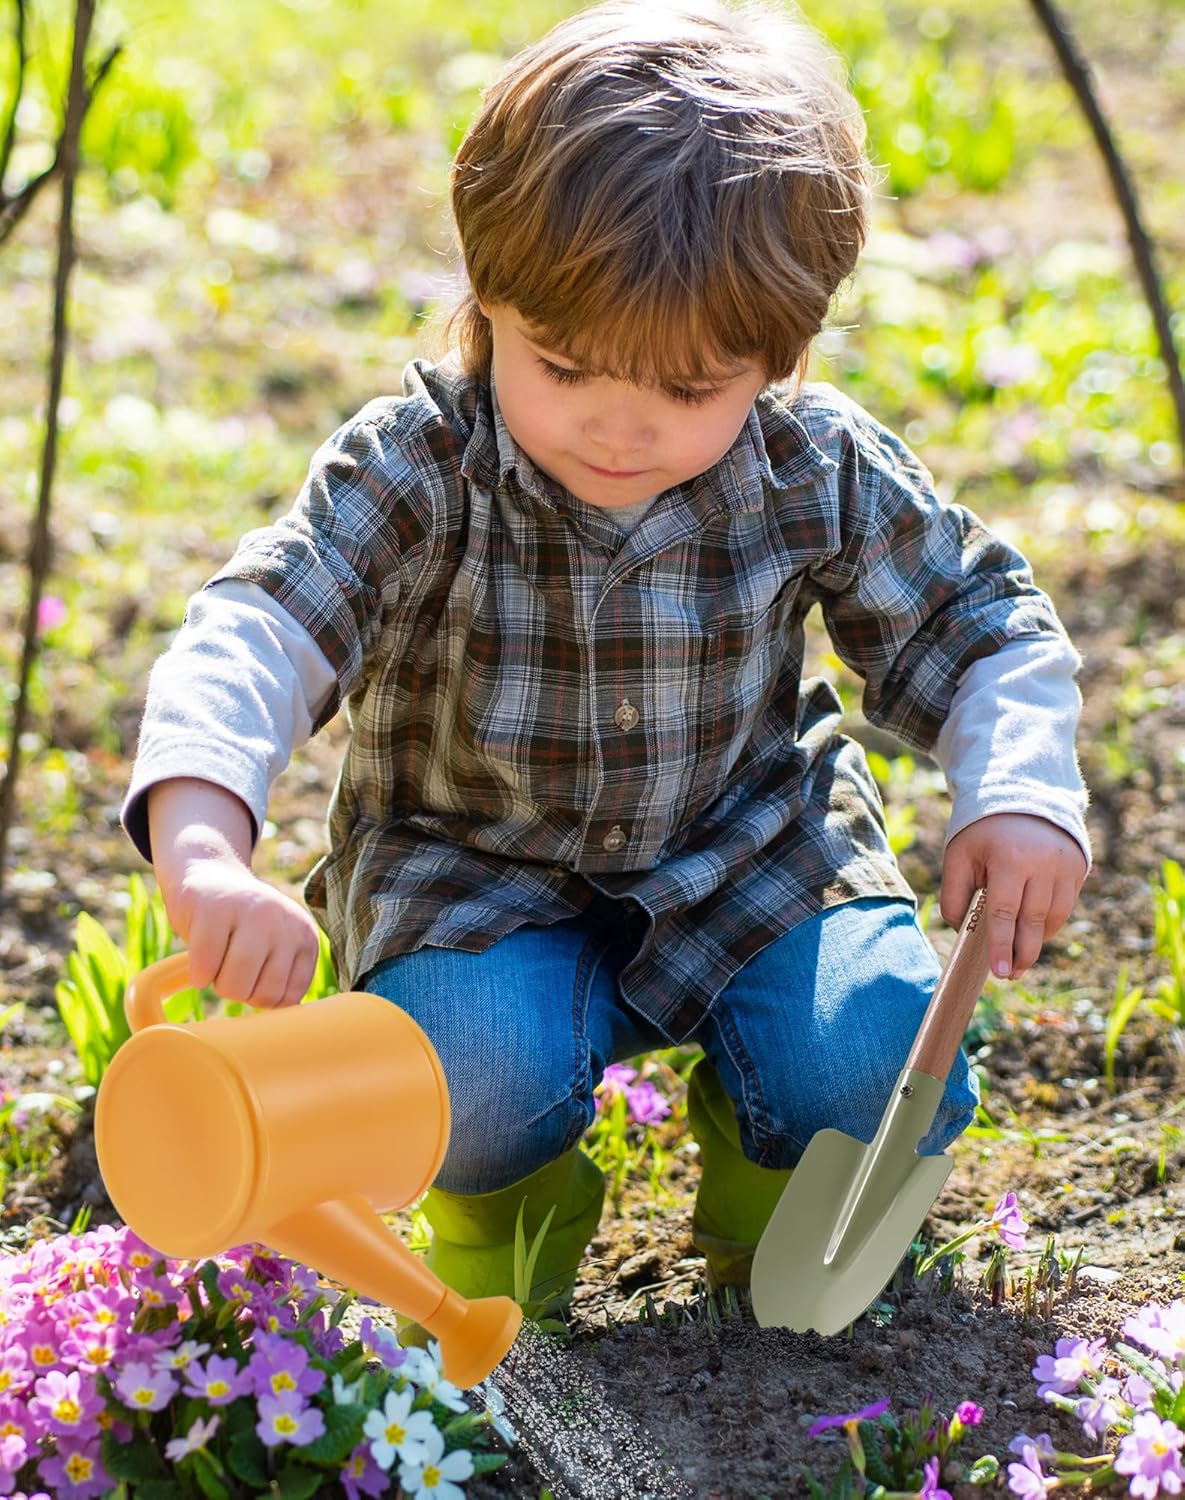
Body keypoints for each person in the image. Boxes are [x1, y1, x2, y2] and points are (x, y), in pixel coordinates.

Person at [123, 0, 1090, 1327]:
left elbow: (976, 626)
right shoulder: (421, 462)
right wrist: (201, 843)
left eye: (690, 391)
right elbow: (259, 632)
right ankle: (509, 1208)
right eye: (562, 363)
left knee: (867, 1064)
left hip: (746, 848)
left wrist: (1019, 791)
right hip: (471, 871)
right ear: (487, 301)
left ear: (780, 357)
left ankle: (766, 1206)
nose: (619, 426)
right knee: (463, 1075)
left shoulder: (808, 465)